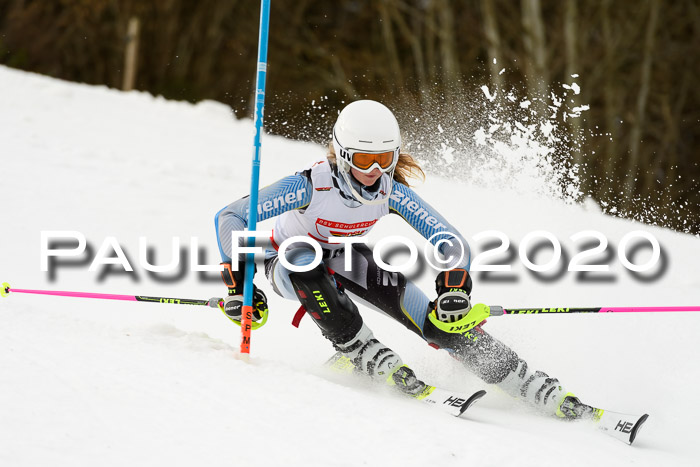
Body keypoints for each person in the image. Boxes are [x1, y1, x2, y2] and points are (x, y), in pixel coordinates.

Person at [215, 99, 583, 418]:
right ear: (343, 156)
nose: (375, 172)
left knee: (439, 322)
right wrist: (238, 285)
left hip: (343, 256)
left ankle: (522, 378)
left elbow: (449, 239)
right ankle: (356, 348)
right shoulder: (309, 186)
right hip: (287, 262)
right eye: (364, 160)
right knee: (304, 256)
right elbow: (230, 217)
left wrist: (454, 286)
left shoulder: (391, 191)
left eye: (384, 159)